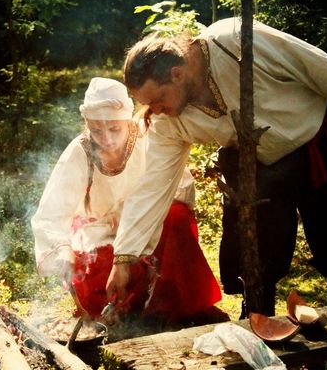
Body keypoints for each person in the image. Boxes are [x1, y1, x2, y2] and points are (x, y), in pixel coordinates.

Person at [106, 17, 327, 316]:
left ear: (177, 74)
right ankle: (256, 310)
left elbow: (312, 63)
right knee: (254, 250)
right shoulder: (168, 121)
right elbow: (153, 185)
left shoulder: (234, 40)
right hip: (258, 167)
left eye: (158, 100)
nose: (156, 111)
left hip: (314, 140)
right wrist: (123, 258)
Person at [31, 77, 225, 325]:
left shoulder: (149, 137)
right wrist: (62, 250)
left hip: (148, 220)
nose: (107, 139)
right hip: (101, 229)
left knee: (176, 218)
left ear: (127, 121)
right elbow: (52, 211)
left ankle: (176, 308)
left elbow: (175, 186)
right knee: (94, 269)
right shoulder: (80, 151)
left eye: (115, 129)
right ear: (87, 125)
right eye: (97, 130)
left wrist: (139, 220)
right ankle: (124, 315)